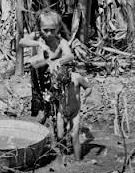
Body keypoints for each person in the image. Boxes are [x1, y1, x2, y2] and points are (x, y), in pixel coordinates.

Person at [20, 10, 90, 159]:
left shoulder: (61, 42)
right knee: (42, 109)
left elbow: (70, 55)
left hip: (56, 79)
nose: (49, 33)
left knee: (57, 110)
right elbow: (22, 42)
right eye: (46, 30)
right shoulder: (38, 37)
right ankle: (42, 142)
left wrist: (57, 61)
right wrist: (39, 44)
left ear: (58, 28)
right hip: (39, 78)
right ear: (40, 28)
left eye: (53, 30)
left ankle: (61, 144)